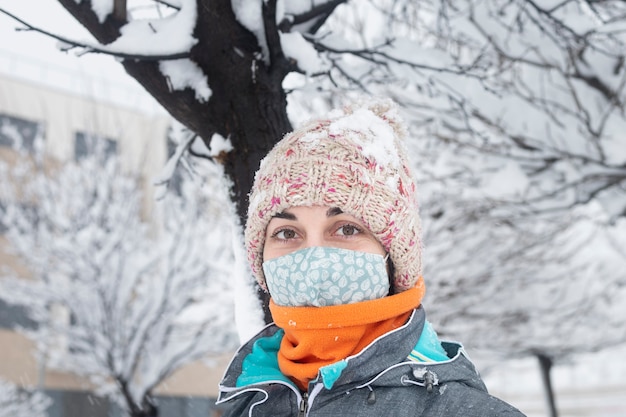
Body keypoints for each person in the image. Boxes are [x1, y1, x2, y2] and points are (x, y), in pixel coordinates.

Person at [217, 99, 526, 416]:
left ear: (394, 256)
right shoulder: (246, 403)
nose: (315, 256)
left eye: (346, 229)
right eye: (286, 233)